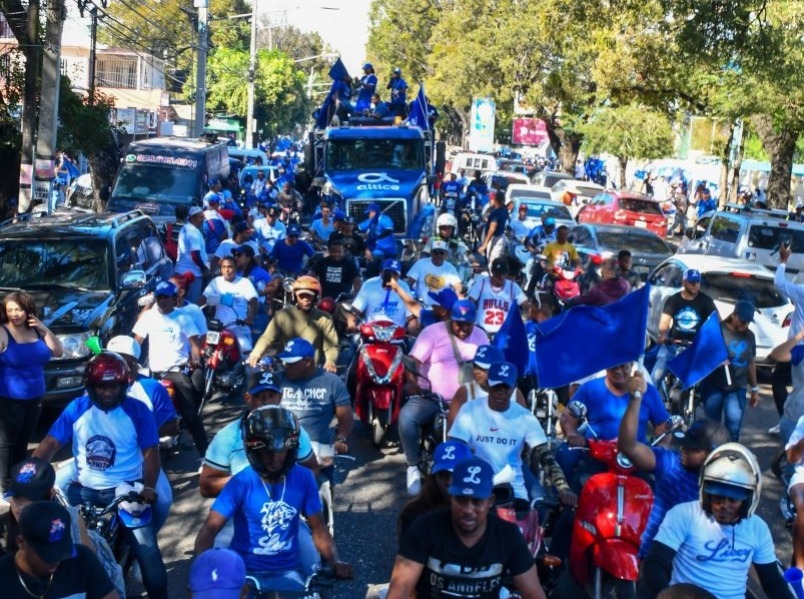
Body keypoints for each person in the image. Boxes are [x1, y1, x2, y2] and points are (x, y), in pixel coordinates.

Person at [32, 352, 168, 599]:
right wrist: (30, 475)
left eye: (113, 386)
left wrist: (148, 486)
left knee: (150, 559)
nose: (107, 392)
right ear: (91, 386)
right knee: (53, 545)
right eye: (101, 387)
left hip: (128, 490)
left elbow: (151, 453)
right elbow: (50, 443)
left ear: (123, 384)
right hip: (83, 490)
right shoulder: (77, 408)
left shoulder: (138, 411)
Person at [194, 407, 353, 592]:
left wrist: (335, 561)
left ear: (291, 449)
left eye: (281, 451)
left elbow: (319, 528)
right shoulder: (240, 481)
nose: (274, 458)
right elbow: (208, 531)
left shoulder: (304, 478)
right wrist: (202, 571)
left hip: (289, 571)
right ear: (253, 450)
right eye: (267, 451)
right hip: (244, 572)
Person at [638, 443, 793, 599]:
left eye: (733, 499)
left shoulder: (758, 528)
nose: (724, 505)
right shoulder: (684, 514)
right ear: (706, 494)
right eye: (718, 497)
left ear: (748, 500)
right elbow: (655, 563)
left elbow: (772, 582)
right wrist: (667, 594)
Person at [387, 457, 548, 599]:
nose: (468, 510)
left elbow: (533, 593)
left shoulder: (508, 535)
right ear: (452, 498)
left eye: (477, 501)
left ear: (490, 501)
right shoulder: (425, 527)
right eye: (462, 500)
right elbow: (401, 589)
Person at [618, 371, 730, 559]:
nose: (684, 448)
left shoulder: (725, 488)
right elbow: (628, 445)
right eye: (685, 442)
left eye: (693, 448)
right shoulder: (671, 462)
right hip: (652, 558)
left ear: (712, 455)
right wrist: (636, 399)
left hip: (692, 565)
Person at [449, 362, 575, 505]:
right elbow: (455, 449)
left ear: (514, 388)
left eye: (506, 387)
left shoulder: (526, 418)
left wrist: (563, 488)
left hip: (513, 492)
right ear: (488, 384)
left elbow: (546, 457)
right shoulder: (469, 410)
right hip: (475, 488)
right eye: (496, 386)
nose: (500, 392)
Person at [399, 300, 489, 495]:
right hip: (433, 398)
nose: (464, 329)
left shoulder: (481, 336)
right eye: (459, 324)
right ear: (450, 319)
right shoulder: (432, 332)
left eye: (469, 324)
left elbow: (489, 365)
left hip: (470, 401)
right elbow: (413, 361)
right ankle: (413, 465)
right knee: (407, 416)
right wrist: (413, 383)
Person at [2, 458, 126, 595]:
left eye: (29, 500)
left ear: (50, 495)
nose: (20, 508)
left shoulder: (68, 523)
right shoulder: (3, 528)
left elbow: (89, 573)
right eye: (17, 499)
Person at [200, 369, 318, 499]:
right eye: (259, 396)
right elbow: (206, 486)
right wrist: (249, 481)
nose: (266, 401)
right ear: (247, 398)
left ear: (280, 397)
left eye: (271, 395)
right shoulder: (227, 436)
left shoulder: (294, 431)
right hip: (243, 511)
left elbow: (312, 469)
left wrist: (291, 484)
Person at [558, 363, 670, 491]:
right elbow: (567, 416)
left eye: (623, 366)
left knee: (663, 473)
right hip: (596, 454)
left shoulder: (647, 391)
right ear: (605, 366)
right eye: (613, 366)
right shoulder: (590, 388)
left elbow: (663, 426)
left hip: (635, 457)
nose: (618, 371)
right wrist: (572, 433)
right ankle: (564, 500)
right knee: (565, 454)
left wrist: (663, 446)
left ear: (632, 365)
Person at [133, 280, 208, 456]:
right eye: (159, 297)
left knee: (191, 415)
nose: (162, 301)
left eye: (166, 297)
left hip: (177, 372)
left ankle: (205, 457)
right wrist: (129, 361)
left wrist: (195, 357)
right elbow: (136, 342)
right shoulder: (148, 317)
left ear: (174, 298)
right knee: (139, 411)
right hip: (154, 374)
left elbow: (194, 344)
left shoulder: (184, 318)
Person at [0, 291, 62, 494]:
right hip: (9, 399)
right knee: (7, 443)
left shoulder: (37, 332)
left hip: (35, 397)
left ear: (27, 310)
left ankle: (18, 480)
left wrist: (44, 328)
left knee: (23, 441)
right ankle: (5, 485)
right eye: (10, 310)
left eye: (18, 309)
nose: (14, 314)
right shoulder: (2, 332)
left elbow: (58, 351)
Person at [1, 501, 120, 599]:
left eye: (61, 552)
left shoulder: (82, 559)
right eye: (47, 555)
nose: (55, 562)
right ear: (21, 543)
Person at [274, 338, 353, 457]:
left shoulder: (332, 382)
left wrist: (341, 439)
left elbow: (345, 415)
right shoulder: (276, 380)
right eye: (285, 363)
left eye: (291, 364)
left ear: (308, 362)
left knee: (322, 476)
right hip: (281, 451)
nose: (286, 367)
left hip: (319, 451)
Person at [248, 277, 340, 372]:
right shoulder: (283, 315)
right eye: (301, 296)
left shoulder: (325, 318)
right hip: (285, 368)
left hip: (311, 369)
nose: (305, 299)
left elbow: (331, 345)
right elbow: (267, 337)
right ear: (294, 296)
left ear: (316, 296)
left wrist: (330, 361)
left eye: (309, 296)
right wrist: (256, 353)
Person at [699, 301, 758, 442]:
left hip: (738, 386)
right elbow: (701, 354)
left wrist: (755, 388)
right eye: (743, 320)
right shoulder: (718, 331)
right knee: (712, 425)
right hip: (714, 385)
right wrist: (715, 362)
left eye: (748, 322)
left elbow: (751, 362)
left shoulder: (750, 336)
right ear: (734, 316)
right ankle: (712, 453)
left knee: (734, 427)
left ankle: (730, 454)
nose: (745, 324)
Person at [651, 268, 718, 382]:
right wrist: (663, 334)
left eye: (697, 282)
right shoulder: (674, 299)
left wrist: (712, 339)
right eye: (692, 282)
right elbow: (665, 321)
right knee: (654, 379)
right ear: (684, 282)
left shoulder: (706, 301)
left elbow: (716, 321)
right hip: (673, 345)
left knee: (707, 381)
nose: (695, 285)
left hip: (696, 348)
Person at [397, 441, 473, 539]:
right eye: (442, 475)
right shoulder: (414, 514)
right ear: (433, 477)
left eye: (456, 474)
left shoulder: (483, 512)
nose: (449, 482)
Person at [772, 242, 804, 435]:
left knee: (783, 383)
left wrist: (783, 261)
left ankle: (787, 420)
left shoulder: (801, 291)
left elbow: (779, 283)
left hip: (797, 348)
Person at [200, 255, 259, 352]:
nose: (227, 270)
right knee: (204, 350)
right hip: (217, 327)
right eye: (224, 267)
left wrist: (250, 318)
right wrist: (196, 308)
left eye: (230, 267)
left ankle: (248, 366)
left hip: (238, 326)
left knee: (246, 348)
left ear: (236, 268)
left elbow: (254, 301)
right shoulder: (216, 281)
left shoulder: (244, 282)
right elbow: (203, 298)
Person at [351, 259, 418, 332]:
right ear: (381, 272)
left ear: (399, 275)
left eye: (395, 274)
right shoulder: (369, 284)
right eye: (388, 273)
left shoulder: (404, 287)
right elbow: (356, 309)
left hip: (396, 334)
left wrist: (411, 329)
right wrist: (351, 323)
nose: (391, 276)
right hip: (371, 332)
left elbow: (411, 316)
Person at [467, 257, 527, 337]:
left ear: (507, 273)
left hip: (503, 333)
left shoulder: (513, 286)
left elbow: (526, 306)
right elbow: (470, 303)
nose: (501, 277)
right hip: (482, 331)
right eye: (498, 274)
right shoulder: (482, 283)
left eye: (504, 274)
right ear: (492, 272)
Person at [406, 240, 462, 306]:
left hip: (443, 307)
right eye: (436, 252)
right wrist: (411, 299)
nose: (438, 255)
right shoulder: (421, 263)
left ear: (445, 254)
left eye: (441, 253)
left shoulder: (450, 267)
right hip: (422, 305)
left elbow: (458, 286)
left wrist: (455, 296)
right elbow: (409, 283)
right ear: (431, 253)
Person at [175, 206, 210, 303]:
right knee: (192, 303)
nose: (202, 220)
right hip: (193, 274)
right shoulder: (193, 232)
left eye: (203, 217)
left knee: (180, 302)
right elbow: (195, 255)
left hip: (180, 271)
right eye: (200, 217)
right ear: (192, 218)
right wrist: (203, 268)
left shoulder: (184, 228)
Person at [478, 190, 509, 263]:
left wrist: (484, 245)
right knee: (490, 260)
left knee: (493, 262)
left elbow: (492, 229)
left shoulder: (496, 212)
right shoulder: (504, 209)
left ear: (496, 200)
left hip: (496, 238)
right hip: (499, 237)